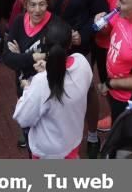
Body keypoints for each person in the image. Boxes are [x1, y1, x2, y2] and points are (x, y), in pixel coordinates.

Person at [34, 0, 108, 157]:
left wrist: (83, 34)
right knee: (43, 84)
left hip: (78, 47)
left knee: (85, 91)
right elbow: (34, 1)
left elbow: (100, 15)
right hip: (47, 41)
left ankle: (92, 133)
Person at [13, 17, 93, 159]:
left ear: (44, 42)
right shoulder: (82, 63)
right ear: (70, 43)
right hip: (72, 145)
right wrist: (46, 72)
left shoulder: (41, 82)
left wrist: (27, 88)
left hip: (47, 154)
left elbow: (23, 118)